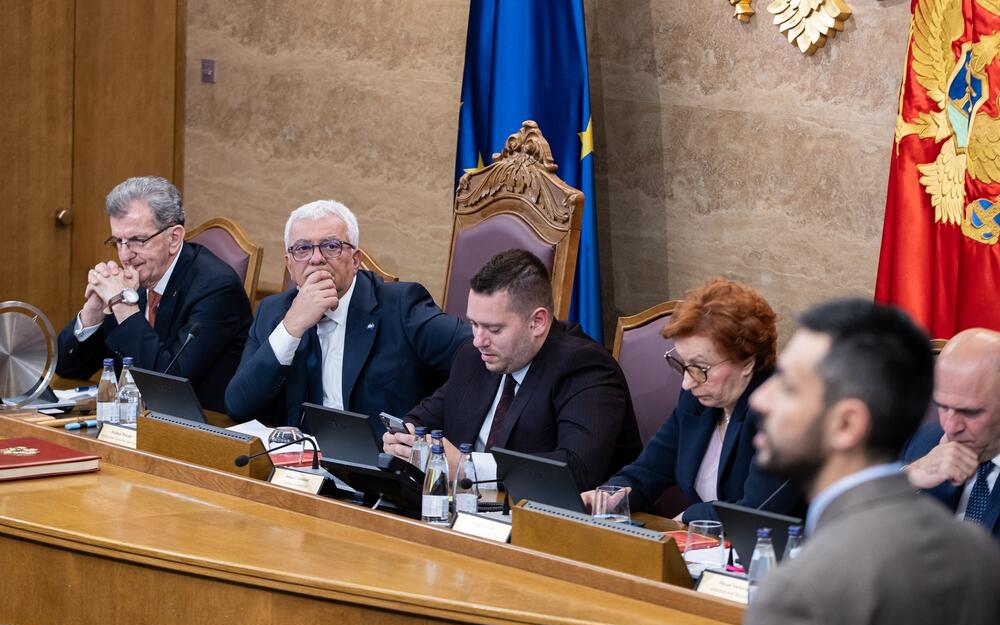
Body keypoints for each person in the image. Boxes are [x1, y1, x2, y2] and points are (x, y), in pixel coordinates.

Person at [739, 299, 1000, 625]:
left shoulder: (797, 594)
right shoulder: (973, 543)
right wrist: (911, 476)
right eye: (942, 406)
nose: (761, 399)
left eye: (791, 387)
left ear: (847, 424)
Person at [382, 249, 642, 491]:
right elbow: (425, 417)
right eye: (474, 324)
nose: (478, 340)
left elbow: (575, 470)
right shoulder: (474, 357)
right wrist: (403, 439)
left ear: (537, 322)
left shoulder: (585, 368)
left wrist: (467, 467)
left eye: (494, 329)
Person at [224, 199, 470, 434]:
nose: (316, 258)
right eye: (302, 248)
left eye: (331, 246)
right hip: (296, 468)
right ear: (290, 265)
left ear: (355, 261)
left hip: (378, 469)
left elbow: (478, 352)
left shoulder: (401, 306)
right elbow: (238, 406)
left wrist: (422, 422)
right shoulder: (274, 312)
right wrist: (291, 327)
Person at [584, 279, 799, 523]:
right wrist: (610, 495)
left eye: (699, 368)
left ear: (747, 361)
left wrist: (691, 515)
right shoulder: (696, 402)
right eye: (683, 365)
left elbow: (755, 512)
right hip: (706, 551)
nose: (687, 382)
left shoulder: (782, 411)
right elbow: (646, 472)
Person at [56, 176, 252, 412]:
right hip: (131, 424)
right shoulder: (135, 278)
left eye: (138, 241)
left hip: (197, 431)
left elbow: (167, 385)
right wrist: (93, 312)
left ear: (174, 238)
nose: (125, 255)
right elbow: (69, 369)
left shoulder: (217, 289)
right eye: (118, 241)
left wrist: (123, 306)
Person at [902, 328, 1000, 540]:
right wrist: (908, 478)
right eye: (942, 407)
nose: (951, 426)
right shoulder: (922, 440)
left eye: (970, 412)